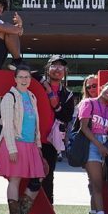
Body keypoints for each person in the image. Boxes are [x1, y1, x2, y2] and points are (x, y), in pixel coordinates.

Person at [0, 65, 45, 214]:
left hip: (30, 144)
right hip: (15, 143)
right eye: (21, 77)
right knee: (15, 179)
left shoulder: (31, 96)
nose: (24, 80)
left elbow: (36, 123)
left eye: (27, 77)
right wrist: (11, 149)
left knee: (38, 178)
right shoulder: (9, 97)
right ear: (15, 79)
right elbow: (7, 124)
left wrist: (38, 145)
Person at [76, 78, 108, 214]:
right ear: (102, 87)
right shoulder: (88, 103)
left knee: (97, 185)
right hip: (91, 146)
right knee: (97, 185)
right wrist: (99, 145)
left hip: (103, 148)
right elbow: (84, 128)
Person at [38, 55, 76, 204]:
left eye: (61, 67)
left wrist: (57, 105)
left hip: (50, 141)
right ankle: (27, 210)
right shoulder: (37, 85)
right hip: (30, 138)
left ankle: (47, 208)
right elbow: (28, 72)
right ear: (48, 69)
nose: (58, 69)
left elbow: (66, 117)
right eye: (54, 65)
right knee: (28, 174)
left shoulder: (67, 94)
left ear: (65, 71)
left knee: (48, 176)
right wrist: (47, 88)